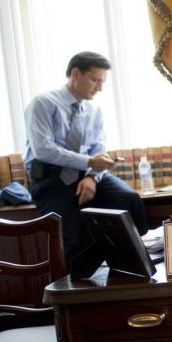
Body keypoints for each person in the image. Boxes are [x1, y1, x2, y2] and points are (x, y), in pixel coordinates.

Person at [24, 51, 148, 261]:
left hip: (87, 175)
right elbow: (43, 150)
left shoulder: (94, 112)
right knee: (73, 239)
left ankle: (134, 261)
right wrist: (90, 162)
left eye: (102, 82)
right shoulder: (43, 103)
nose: (99, 88)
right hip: (52, 181)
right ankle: (79, 284)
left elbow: (99, 149)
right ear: (75, 74)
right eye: (95, 80)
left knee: (129, 200)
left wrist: (92, 176)